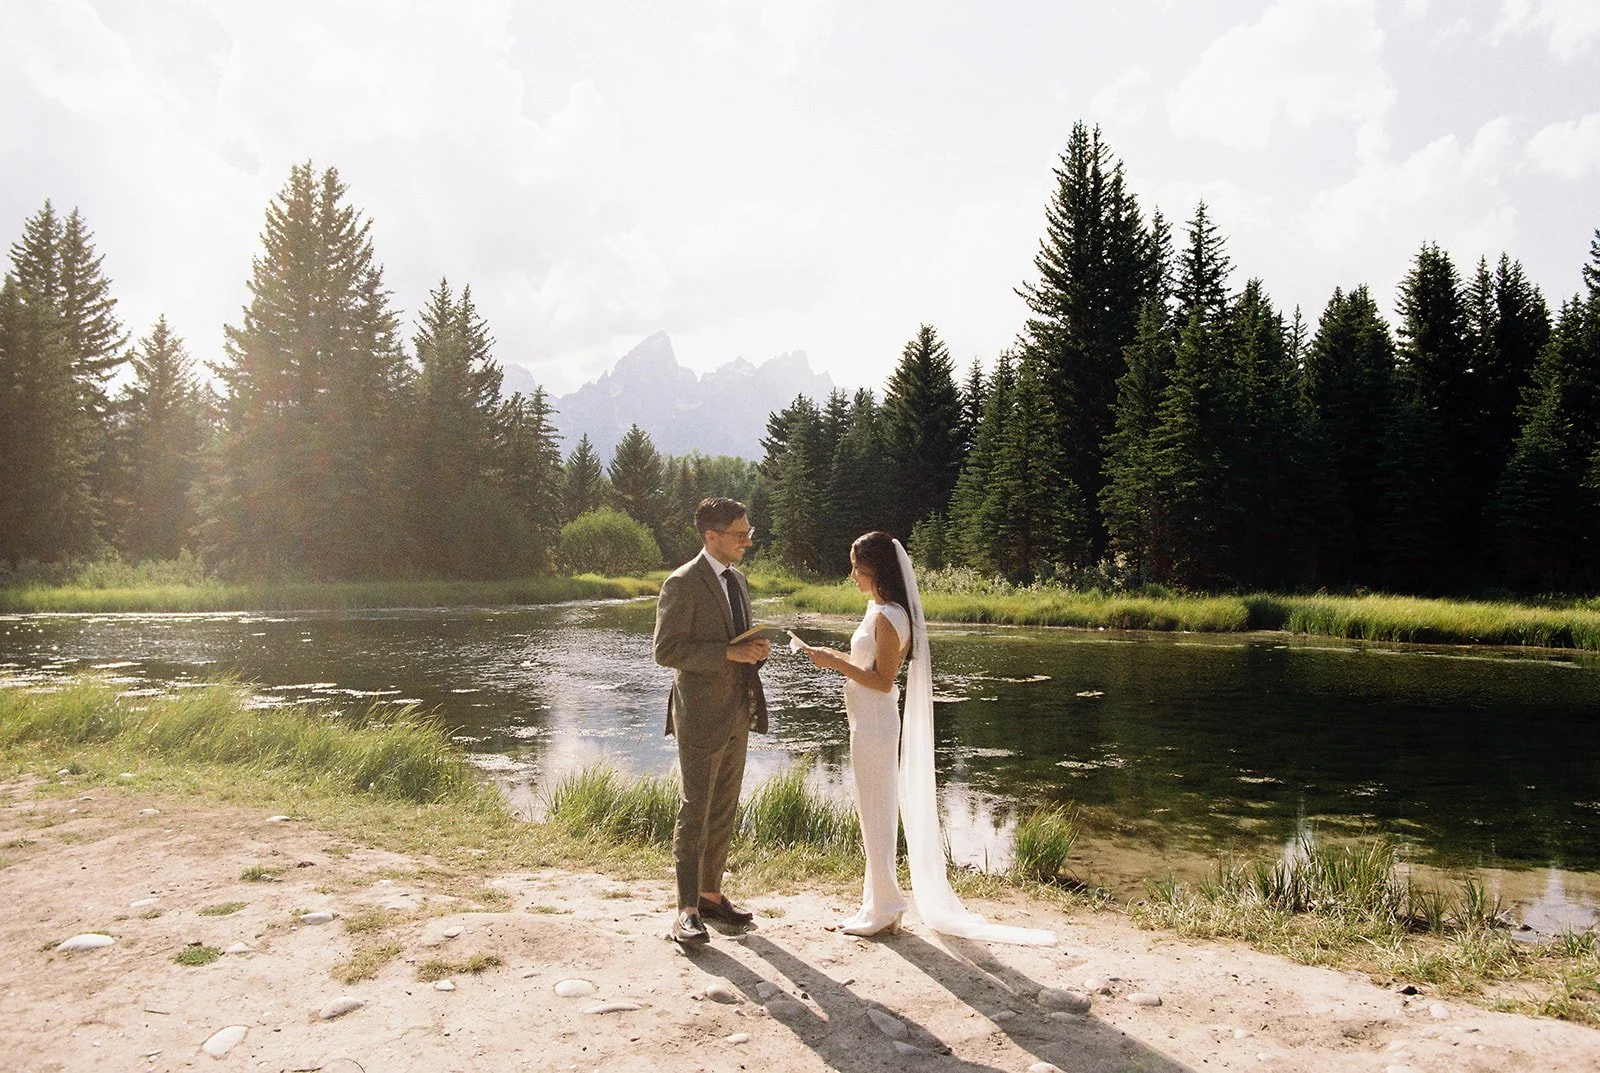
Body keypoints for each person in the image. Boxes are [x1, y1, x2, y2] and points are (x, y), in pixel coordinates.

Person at [797, 531, 1055, 946]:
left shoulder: (890, 617)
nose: (851, 574)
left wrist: (832, 663)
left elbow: (882, 681)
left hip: (877, 723)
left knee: (878, 812)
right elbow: (869, 664)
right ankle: (877, 903)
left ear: (874, 569)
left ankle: (886, 908)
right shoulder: (877, 609)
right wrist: (835, 659)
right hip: (865, 720)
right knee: (872, 810)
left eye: (855, 566)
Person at [652, 497, 770, 945]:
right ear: (711, 536)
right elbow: (666, 651)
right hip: (699, 714)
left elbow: (736, 641)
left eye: (748, 531)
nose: (747, 540)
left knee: (724, 806)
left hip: (739, 708)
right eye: (739, 534)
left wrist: (755, 651)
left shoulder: (738, 580)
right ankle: (685, 911)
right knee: (694, 809)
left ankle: (710, 895)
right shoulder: (681, 583)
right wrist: (727, 652)